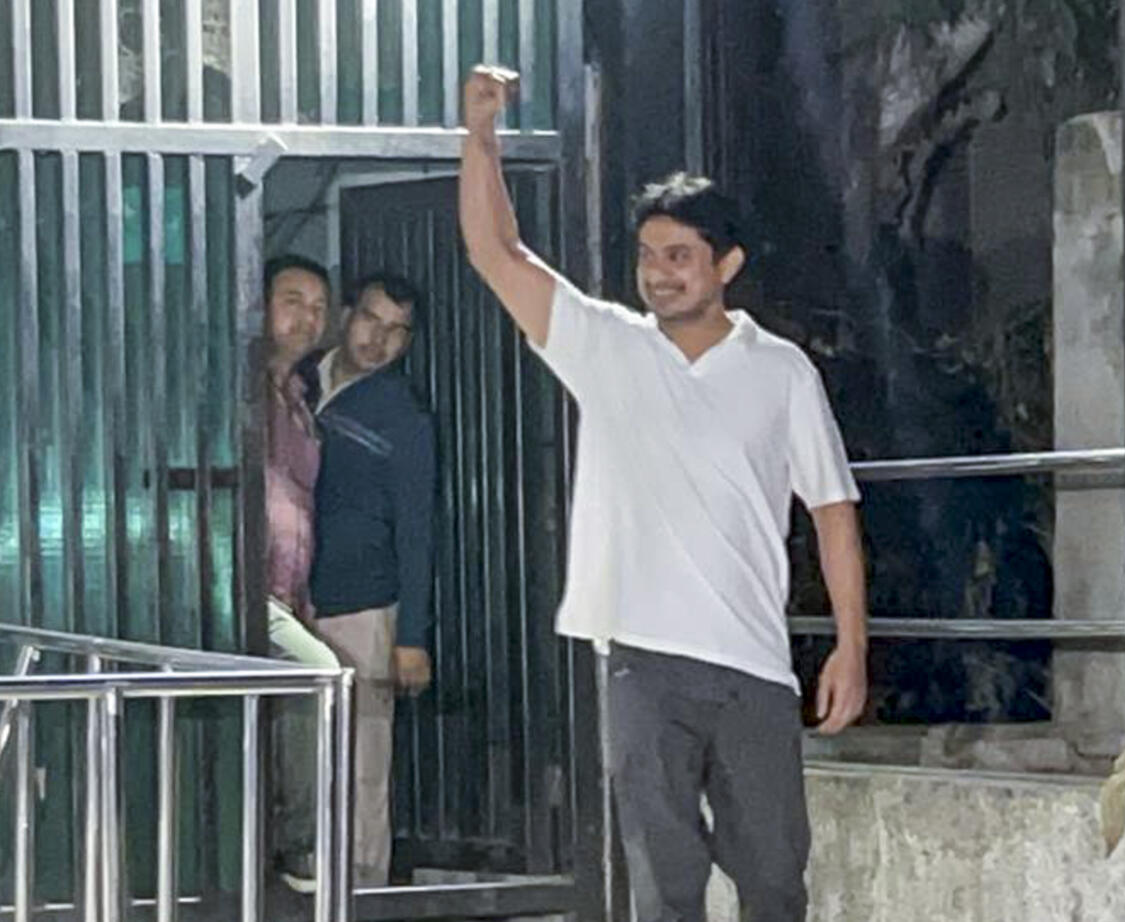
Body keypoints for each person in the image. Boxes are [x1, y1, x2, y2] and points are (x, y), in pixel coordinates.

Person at [459, 66, 869, 922]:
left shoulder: (781, 371)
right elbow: (498, 255)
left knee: (773, 886)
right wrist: (482, 141)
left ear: (727, 264)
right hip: (643, 668)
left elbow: (832, 513)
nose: (658, 273)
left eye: (679, 256)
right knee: (664, 890)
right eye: (648, 257)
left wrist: (851, 647)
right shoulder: (608, 347)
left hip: (755, 669)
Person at [298, 273, 436, 887]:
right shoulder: (295, 382)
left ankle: (362, 890)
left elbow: (418, 529)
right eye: (371, 320)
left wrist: (412, 636)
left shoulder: (403, 416)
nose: (379, 340)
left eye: (397, 331)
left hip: (362, 608)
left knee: (360, 762)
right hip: (289, 603)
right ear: (346, 314)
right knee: (293, 758)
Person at [262, 253, 341, 894]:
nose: (307, 318)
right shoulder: (239, 387)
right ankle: (297, 849)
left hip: (286, 593)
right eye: (293, 300)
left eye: (318, 307)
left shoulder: (297, 397)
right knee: (317, 675)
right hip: (239, 589)